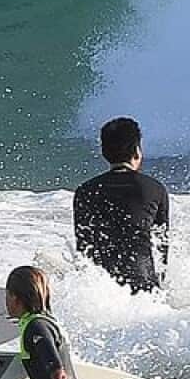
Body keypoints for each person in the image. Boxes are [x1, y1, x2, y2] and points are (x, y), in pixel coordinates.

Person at [74, 117, 169, 293]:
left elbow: (83, 246)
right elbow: (162, 246)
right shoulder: (154, 189)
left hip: (102, 288)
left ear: (104, 152)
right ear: (137, 151)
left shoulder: (85, 191)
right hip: (144, 287)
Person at [5, 266, 89, 379]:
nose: (6, 301)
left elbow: (58, 373)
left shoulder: (36, 326)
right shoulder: (41, 322)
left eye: (7, 295)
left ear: (15, 297)